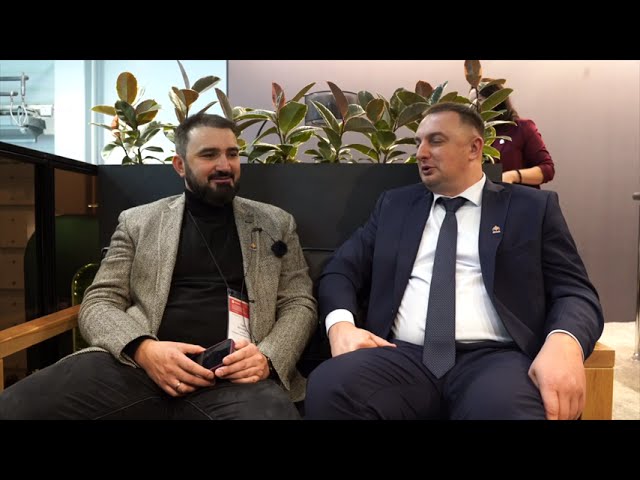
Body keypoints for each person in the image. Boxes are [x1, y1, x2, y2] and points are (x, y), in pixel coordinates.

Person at [0, 113, 317, 420]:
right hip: (137, 369)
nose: (225, 165)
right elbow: (99, 301)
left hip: (235, 376)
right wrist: (142, 348)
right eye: (209, 155)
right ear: (180, 165)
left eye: (232, 154)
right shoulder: (138, 222)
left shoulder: (275, 223)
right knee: (15, 406)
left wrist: (266, 357)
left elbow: (298, 302)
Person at [305, 102, 603, 420]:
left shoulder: (531, 208)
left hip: (496, 359)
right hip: (402, 356)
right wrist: (340, 326)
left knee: (513, 411)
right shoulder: (394, 206)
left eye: (435, 140)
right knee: (330, 386)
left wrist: (564, 342)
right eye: (418, 142)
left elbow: (575, 291)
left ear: (474, 148)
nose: (421, 153)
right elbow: (341, 269)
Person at [469, 81, 555, 188]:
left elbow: (547, 169)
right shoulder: (471, 136)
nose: (473, 107)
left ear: (496, 100)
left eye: (479, 100)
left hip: (517, 196)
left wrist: (513, 176)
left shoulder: (521, 128)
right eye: (470, 102)